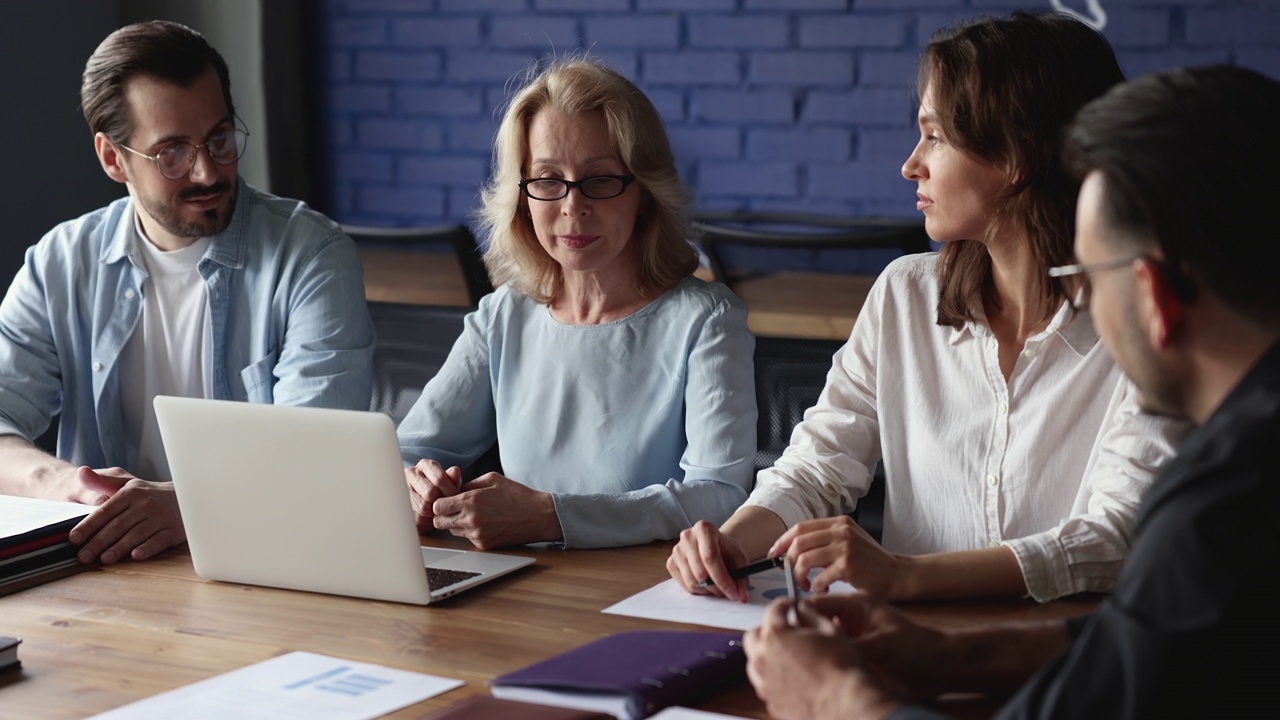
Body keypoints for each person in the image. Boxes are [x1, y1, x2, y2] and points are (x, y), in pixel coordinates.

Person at [741, 63, 1280, 720]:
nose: (1081, 299)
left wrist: (835, 697)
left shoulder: (1225, 505)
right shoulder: (1238, 466)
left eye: (1089, 271)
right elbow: (1159, 646)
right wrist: (954, 656)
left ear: (1155, 298)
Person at [668, 11, 1186, 604]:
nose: (911, 163)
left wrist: (907, 576)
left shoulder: (1144, 323)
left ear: (1016, 154)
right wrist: (732, 543)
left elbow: (1116, 537)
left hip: (1070, 661)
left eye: (935, 136)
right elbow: (818, 466)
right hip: (901, 645)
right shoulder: (904, 294)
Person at [0, 21, 374, 566]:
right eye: (172, 152)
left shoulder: (312, 255)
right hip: (102, 571)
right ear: (112, 158)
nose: (207, 170)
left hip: (260, 561)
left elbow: (314, 456)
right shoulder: (60, 263)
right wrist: (66, 485)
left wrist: (190, 506)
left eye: (219, 138)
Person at [398, 58, 757, 550]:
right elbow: (408, 450)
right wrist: (412, 484)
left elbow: (720, 495)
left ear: (645, 193)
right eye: (547, 179)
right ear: (523, 194)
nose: (572, 206)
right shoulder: (504, 315)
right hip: (523, 587)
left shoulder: (706, 320)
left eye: (601, 180)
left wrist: (552, 517)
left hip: (649, 590)